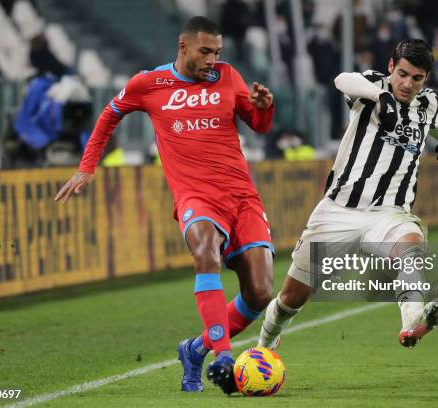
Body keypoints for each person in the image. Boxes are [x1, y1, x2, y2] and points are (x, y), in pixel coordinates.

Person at [54, 16, 276, 395]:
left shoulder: (227, 76)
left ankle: (195, 349)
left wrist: (263, 107)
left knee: (260, 292)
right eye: (205, 51)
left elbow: (258, 124)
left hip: (242, 196)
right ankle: (223, 356)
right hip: (196, 196)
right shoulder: (149, 83)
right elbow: (110, 114)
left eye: (217, 52)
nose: (212, 59)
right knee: (205, 250)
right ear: (183, 47)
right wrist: (87, 166)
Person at [258, 39, 438, 351]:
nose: (407, 84)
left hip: (390, 214)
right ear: (392, 66)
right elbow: (343, 79)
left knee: (411, 247)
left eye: (417, 78)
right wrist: (382, 97)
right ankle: (264, 347)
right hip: (340, 209)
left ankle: (413, 320)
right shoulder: (370, 87)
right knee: (291, 298)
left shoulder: (428, 104)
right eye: (403, 74)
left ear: (426, 79)